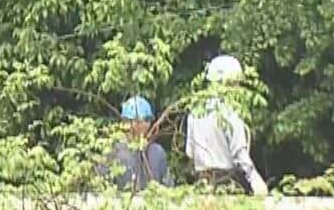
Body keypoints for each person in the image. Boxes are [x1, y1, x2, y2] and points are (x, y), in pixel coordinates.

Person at [186, 54, 269, 195]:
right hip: (225, 184)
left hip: (200, 184)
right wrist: (255, 180)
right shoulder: (230, 112)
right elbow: (239, 154)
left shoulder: (194, 112)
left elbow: (190, 152)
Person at [102, 95, 171, 192]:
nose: (142, 126)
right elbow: (101, 191)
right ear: (126, 123)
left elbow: (168, 188)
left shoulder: (157, 152)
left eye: (146, 121)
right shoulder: (113, 153)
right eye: (137, 122)